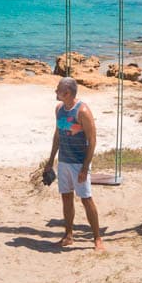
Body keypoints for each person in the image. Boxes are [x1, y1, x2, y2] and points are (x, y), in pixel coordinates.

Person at [44, 77, 105, 250]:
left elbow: (92, 140)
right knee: (66, 198)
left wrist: (85, 167)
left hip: (79, 163)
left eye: (58, 90)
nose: (55, 92)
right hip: (64, 161)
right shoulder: (59, 109)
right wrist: (50, 162)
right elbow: (57, 136)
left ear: (67, 93)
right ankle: (68, 235)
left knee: (86, 199)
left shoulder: (83, 111)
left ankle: (97, 238)